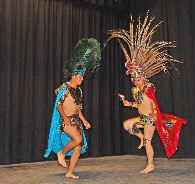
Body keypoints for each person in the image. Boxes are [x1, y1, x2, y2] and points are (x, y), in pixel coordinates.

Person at [106, 12, 187, 173]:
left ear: (143, 77)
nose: (136, 81)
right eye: (134, 79)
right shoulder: (136, 90)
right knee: (127, 125)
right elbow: (139, 104)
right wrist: (129, 103)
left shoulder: (148, 88)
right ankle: (141, 137)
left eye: (138, 78)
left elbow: (151, 102)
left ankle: (150, 164)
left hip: (150, 119)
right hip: (142, 118)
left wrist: (156, 118)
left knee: (149, 142)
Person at [44, 38, 101, 179]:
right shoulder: (64, 89)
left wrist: (85, 121)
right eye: (81, 76)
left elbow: (78, 109)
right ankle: (61, 153)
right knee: (77, 139)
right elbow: (58, 104)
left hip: (77, 121)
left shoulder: (79, 91)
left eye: (83, 77)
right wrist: (64, 118)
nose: (82, 79)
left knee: (78, 146)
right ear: (74, 75)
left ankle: (70, 172)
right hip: (66, 121)